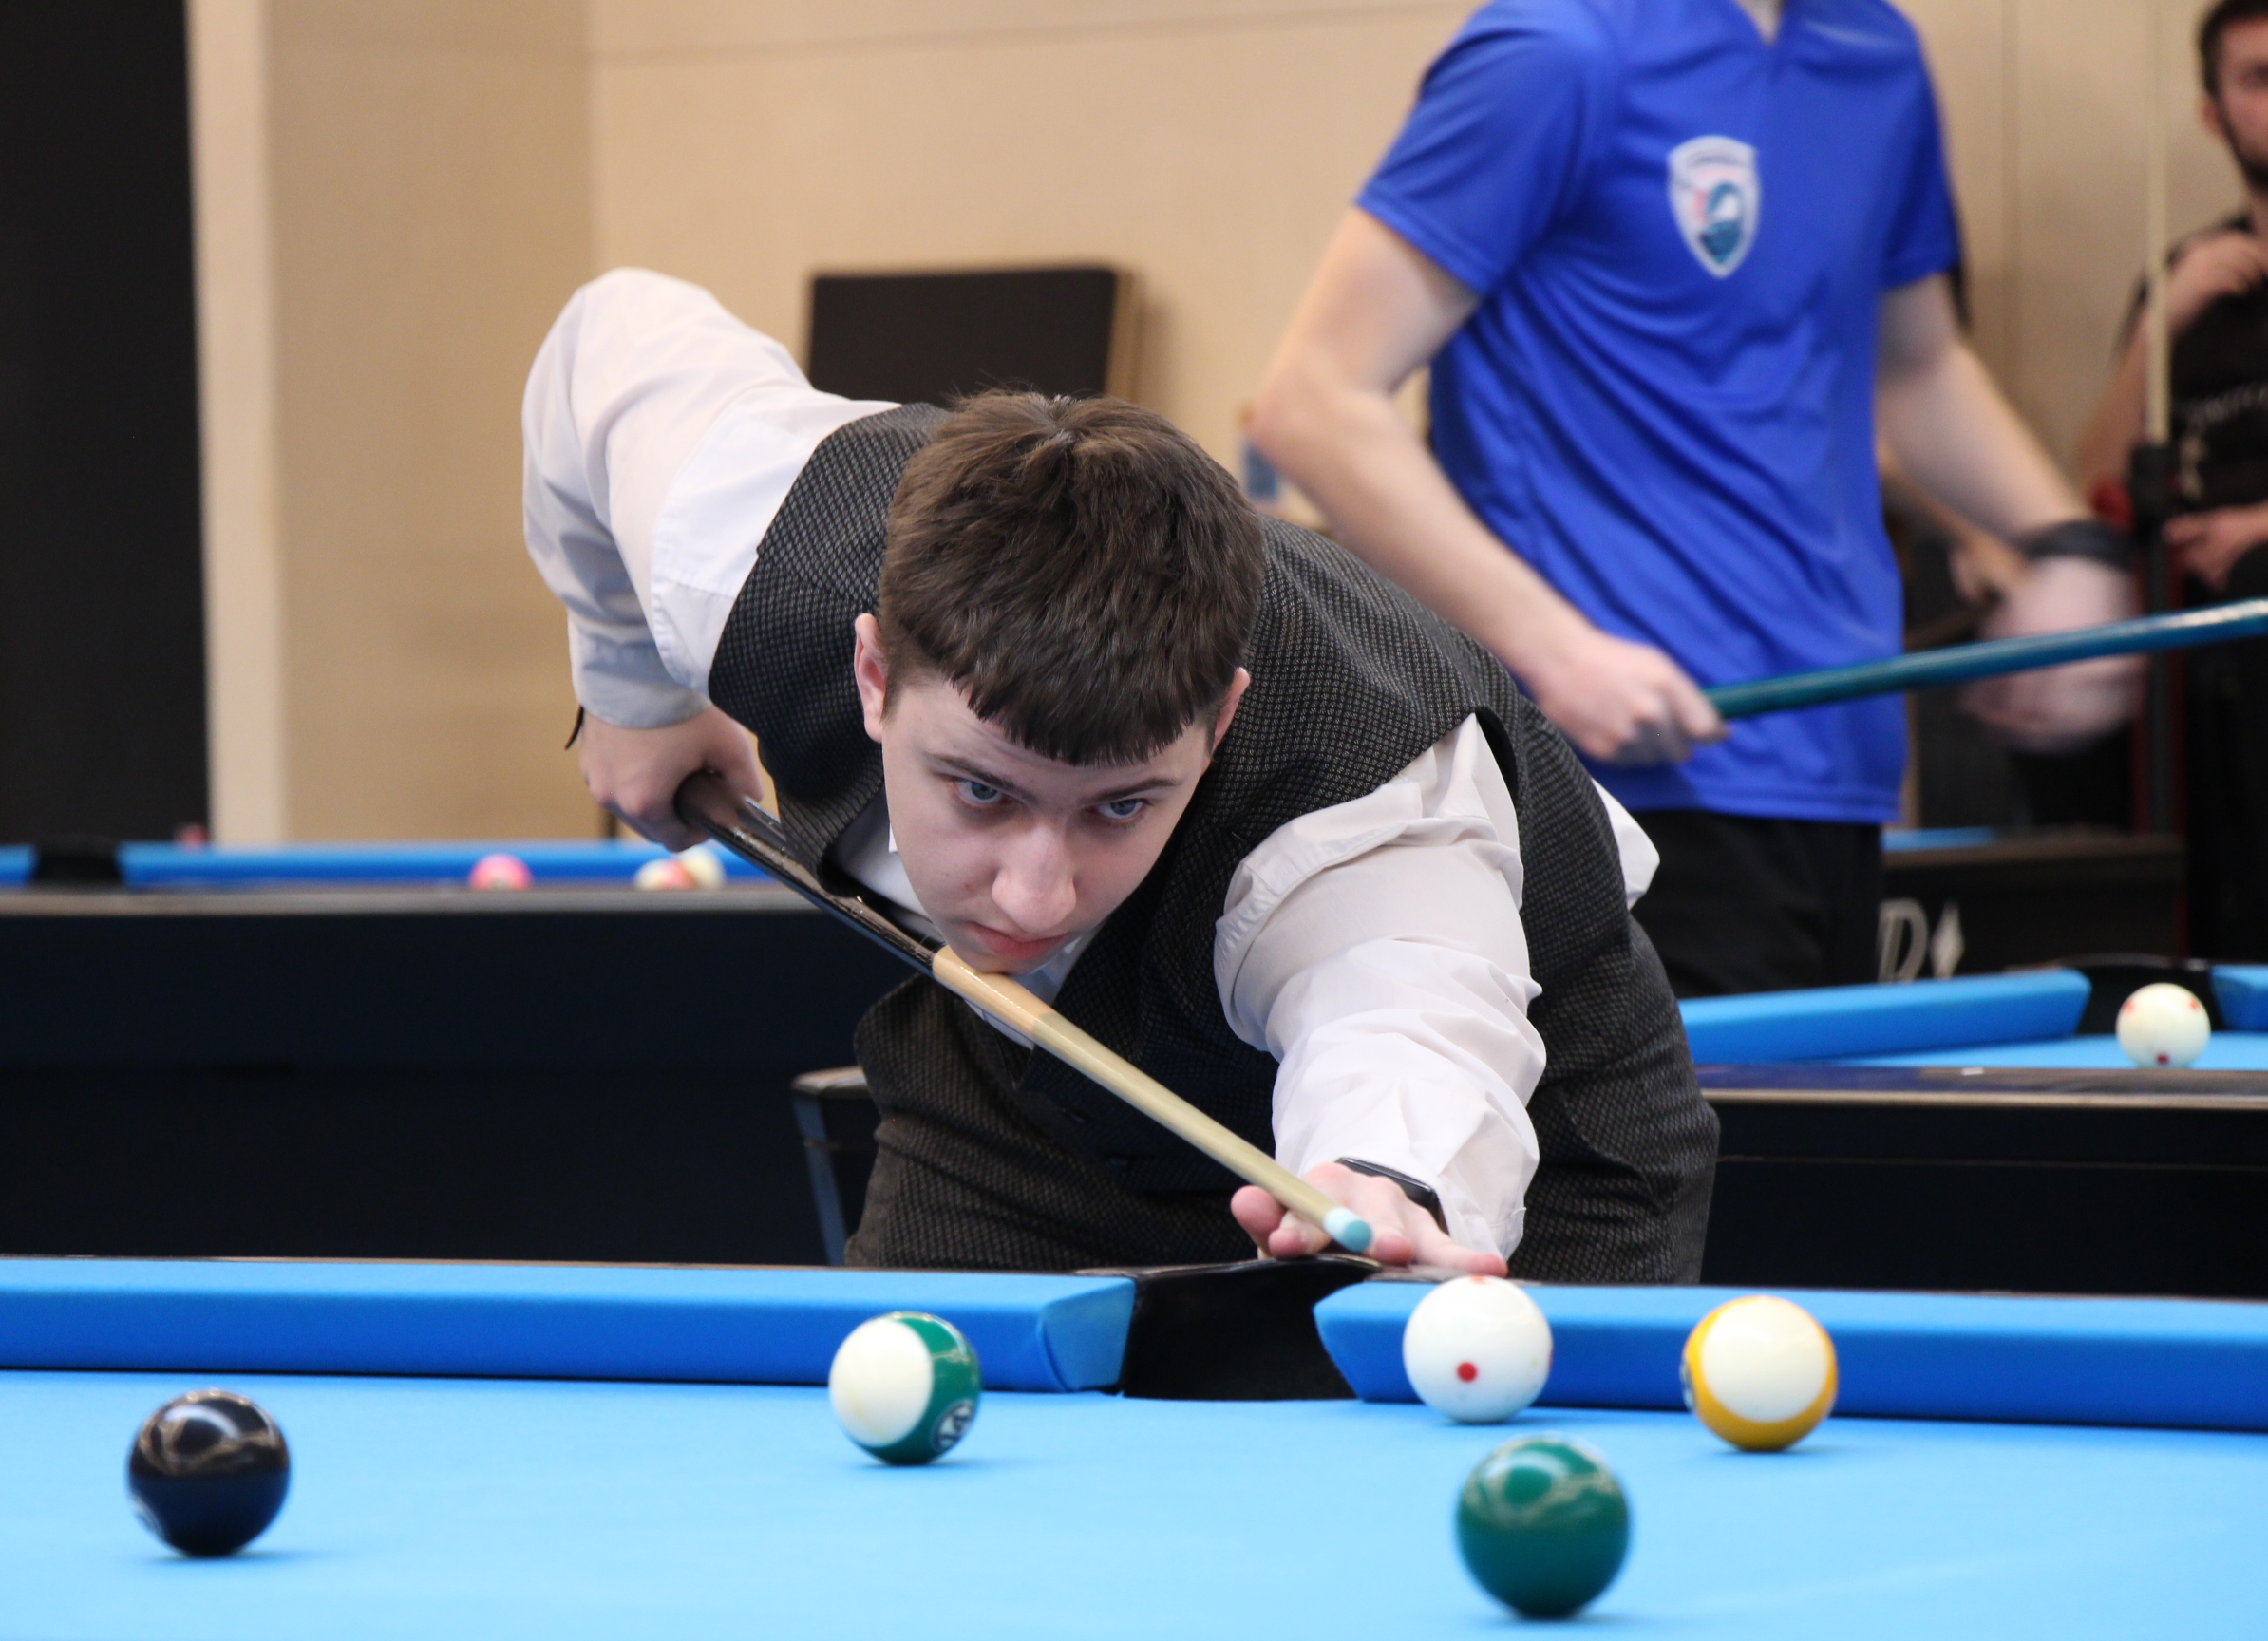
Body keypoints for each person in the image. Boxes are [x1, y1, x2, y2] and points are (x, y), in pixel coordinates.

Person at [521, 270, 1717, 1281]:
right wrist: (635, 689)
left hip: (1538, 1163)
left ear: (1220, 719)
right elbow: (607, 339)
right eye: (981, 791)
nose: (1035, 894)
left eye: (1120, 806)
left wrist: (1387, 1183)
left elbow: (1411, 1022)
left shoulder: (1359, 827)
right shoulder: (754, 551)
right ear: (875, 674)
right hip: (1028, 1094)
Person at [1250, 0, 2138, 999]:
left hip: (1836, 763)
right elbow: (1314, 403)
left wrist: (2069, 545)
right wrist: (1559, 651)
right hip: (1622, 781)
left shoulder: (1875, 51)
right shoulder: (1557, 50)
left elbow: (1917, 365)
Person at [2076, 0, 2268, 961]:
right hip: (2192, 618)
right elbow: (2096, 476)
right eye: (2258, 79)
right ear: (2212, 112)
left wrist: (2259, 526)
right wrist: (2165, 321)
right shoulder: (2188, 274)